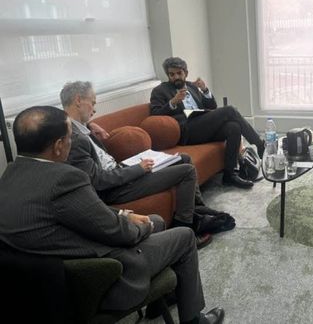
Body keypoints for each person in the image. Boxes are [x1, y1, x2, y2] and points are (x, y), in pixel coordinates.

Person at [0, 106, 224, 323]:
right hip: (103, 278)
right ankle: (194, 320)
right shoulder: (65, 178)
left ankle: (164, 297)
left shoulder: (9, 176)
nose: (72, 141)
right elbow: (119, 233)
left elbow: (75, 211)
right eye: (70, 137)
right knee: (184, 236)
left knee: (157, 220)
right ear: (58, 145)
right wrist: (142, 226)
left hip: (50, 281)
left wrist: (125, 214)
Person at [60, 81, 212, 248]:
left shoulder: (77, 128)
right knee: (186, 171)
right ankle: (185, 228)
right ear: (78, 100)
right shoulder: (74, 138)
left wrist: (89, 124)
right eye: (93, 103)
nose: (94, 110)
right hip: (116, 189)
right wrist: (138, 169)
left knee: (183, 158)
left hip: (120, 171)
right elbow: (98, 181)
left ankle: (199, 210)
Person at [150, 57, 264, 188]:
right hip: (186, 131)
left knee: (234, 127)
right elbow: (155, 114)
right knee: (230, 110)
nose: (176, 77)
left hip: (202, 125)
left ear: (185, 73)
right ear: (168, 75)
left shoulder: (192, 87)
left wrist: (205, 90)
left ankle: (229, 175)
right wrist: (173, 102)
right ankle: (260, 144)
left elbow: (212, 106)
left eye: (179, 73)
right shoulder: (160, 91)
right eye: (172, 74)